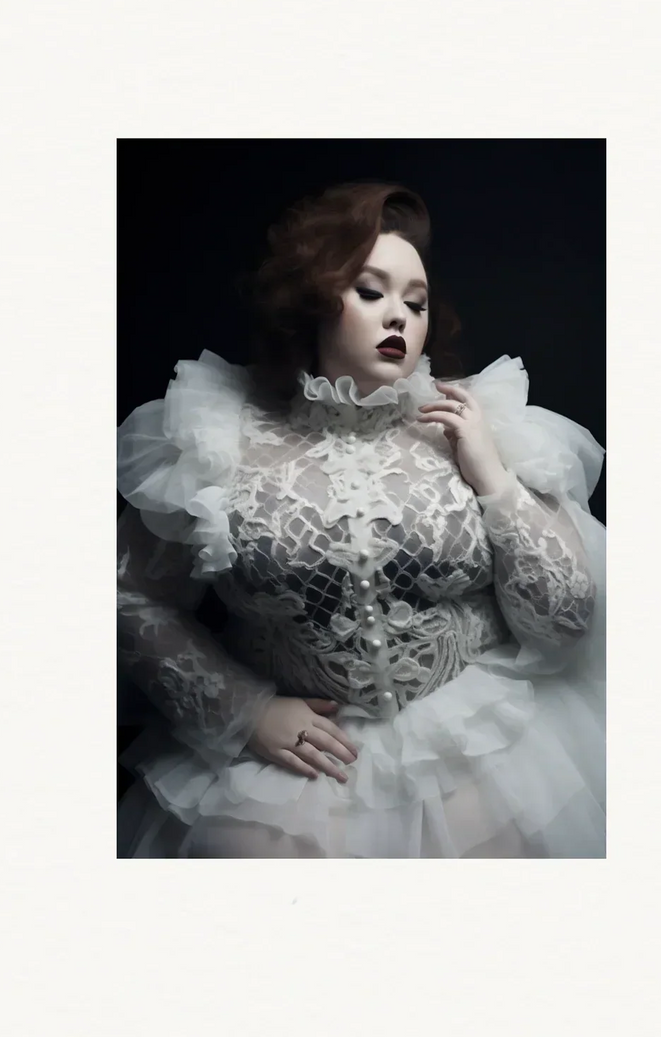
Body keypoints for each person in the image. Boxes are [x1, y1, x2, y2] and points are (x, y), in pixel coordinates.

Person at [115, 181, 606, 858]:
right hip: (291, 780)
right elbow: (126, 589)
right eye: (370, 292)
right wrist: (241, 710)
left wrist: (490, 474)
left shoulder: (484, 421)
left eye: (416, 301)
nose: (398, 317)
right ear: (312, 300)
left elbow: (564, 619)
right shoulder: (212, 435)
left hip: (486, 751)